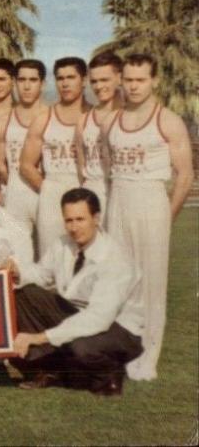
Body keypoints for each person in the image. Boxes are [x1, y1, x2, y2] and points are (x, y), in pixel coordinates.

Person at [103, 54, 194, 381]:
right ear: (121, 80)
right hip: (119, 199)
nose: (134, 86)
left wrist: (167, 216)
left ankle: (148, 359)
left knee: (152, 284)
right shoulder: (111, 121)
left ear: (154, 80)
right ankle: (123, 351)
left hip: (151, 201)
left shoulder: (167, 120)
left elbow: (184, 175)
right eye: (128, 79)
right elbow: (105, 166)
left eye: (140, 80)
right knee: (120, 280)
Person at [7, 188, 144, 396]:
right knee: (24, 294)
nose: (73, 228)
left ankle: (108, 373)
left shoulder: (114, 258)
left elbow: (98, 318)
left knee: (81, 346)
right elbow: (42, 274)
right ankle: (47, 370)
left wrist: (38, 338)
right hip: (77, 313)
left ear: (96, 218)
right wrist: (18, 271)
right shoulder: (63, 243)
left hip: (120, 329)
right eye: (68, 220)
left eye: (80, 219)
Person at [20, 57, 89, 256]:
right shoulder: (44, 118)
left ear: (83, 80)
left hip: (87, 190)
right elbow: (26, 165)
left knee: (90, 262)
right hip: (54, 190)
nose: (65, 83)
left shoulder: (96, 116)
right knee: (53, 259)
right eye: (60, 78)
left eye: (71, 77)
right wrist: (50, 190)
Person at [0, 59, 49, 236]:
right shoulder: (3, 122)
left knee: (51, 253)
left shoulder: (52, 118)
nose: (26, 86)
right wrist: (15, 185)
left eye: (32, 80)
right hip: (16, 195)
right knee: (17, 253)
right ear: (15, 83)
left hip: (46, 194)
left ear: (43, 84)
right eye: (22, 80)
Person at [75, 51, 124, 224]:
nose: (98, 86)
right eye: (94, 81)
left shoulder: (130, 116)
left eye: (105, 80)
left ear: (119, 78)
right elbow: (82, 167)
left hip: (122, 192)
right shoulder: (84, 120)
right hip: (93, 191)